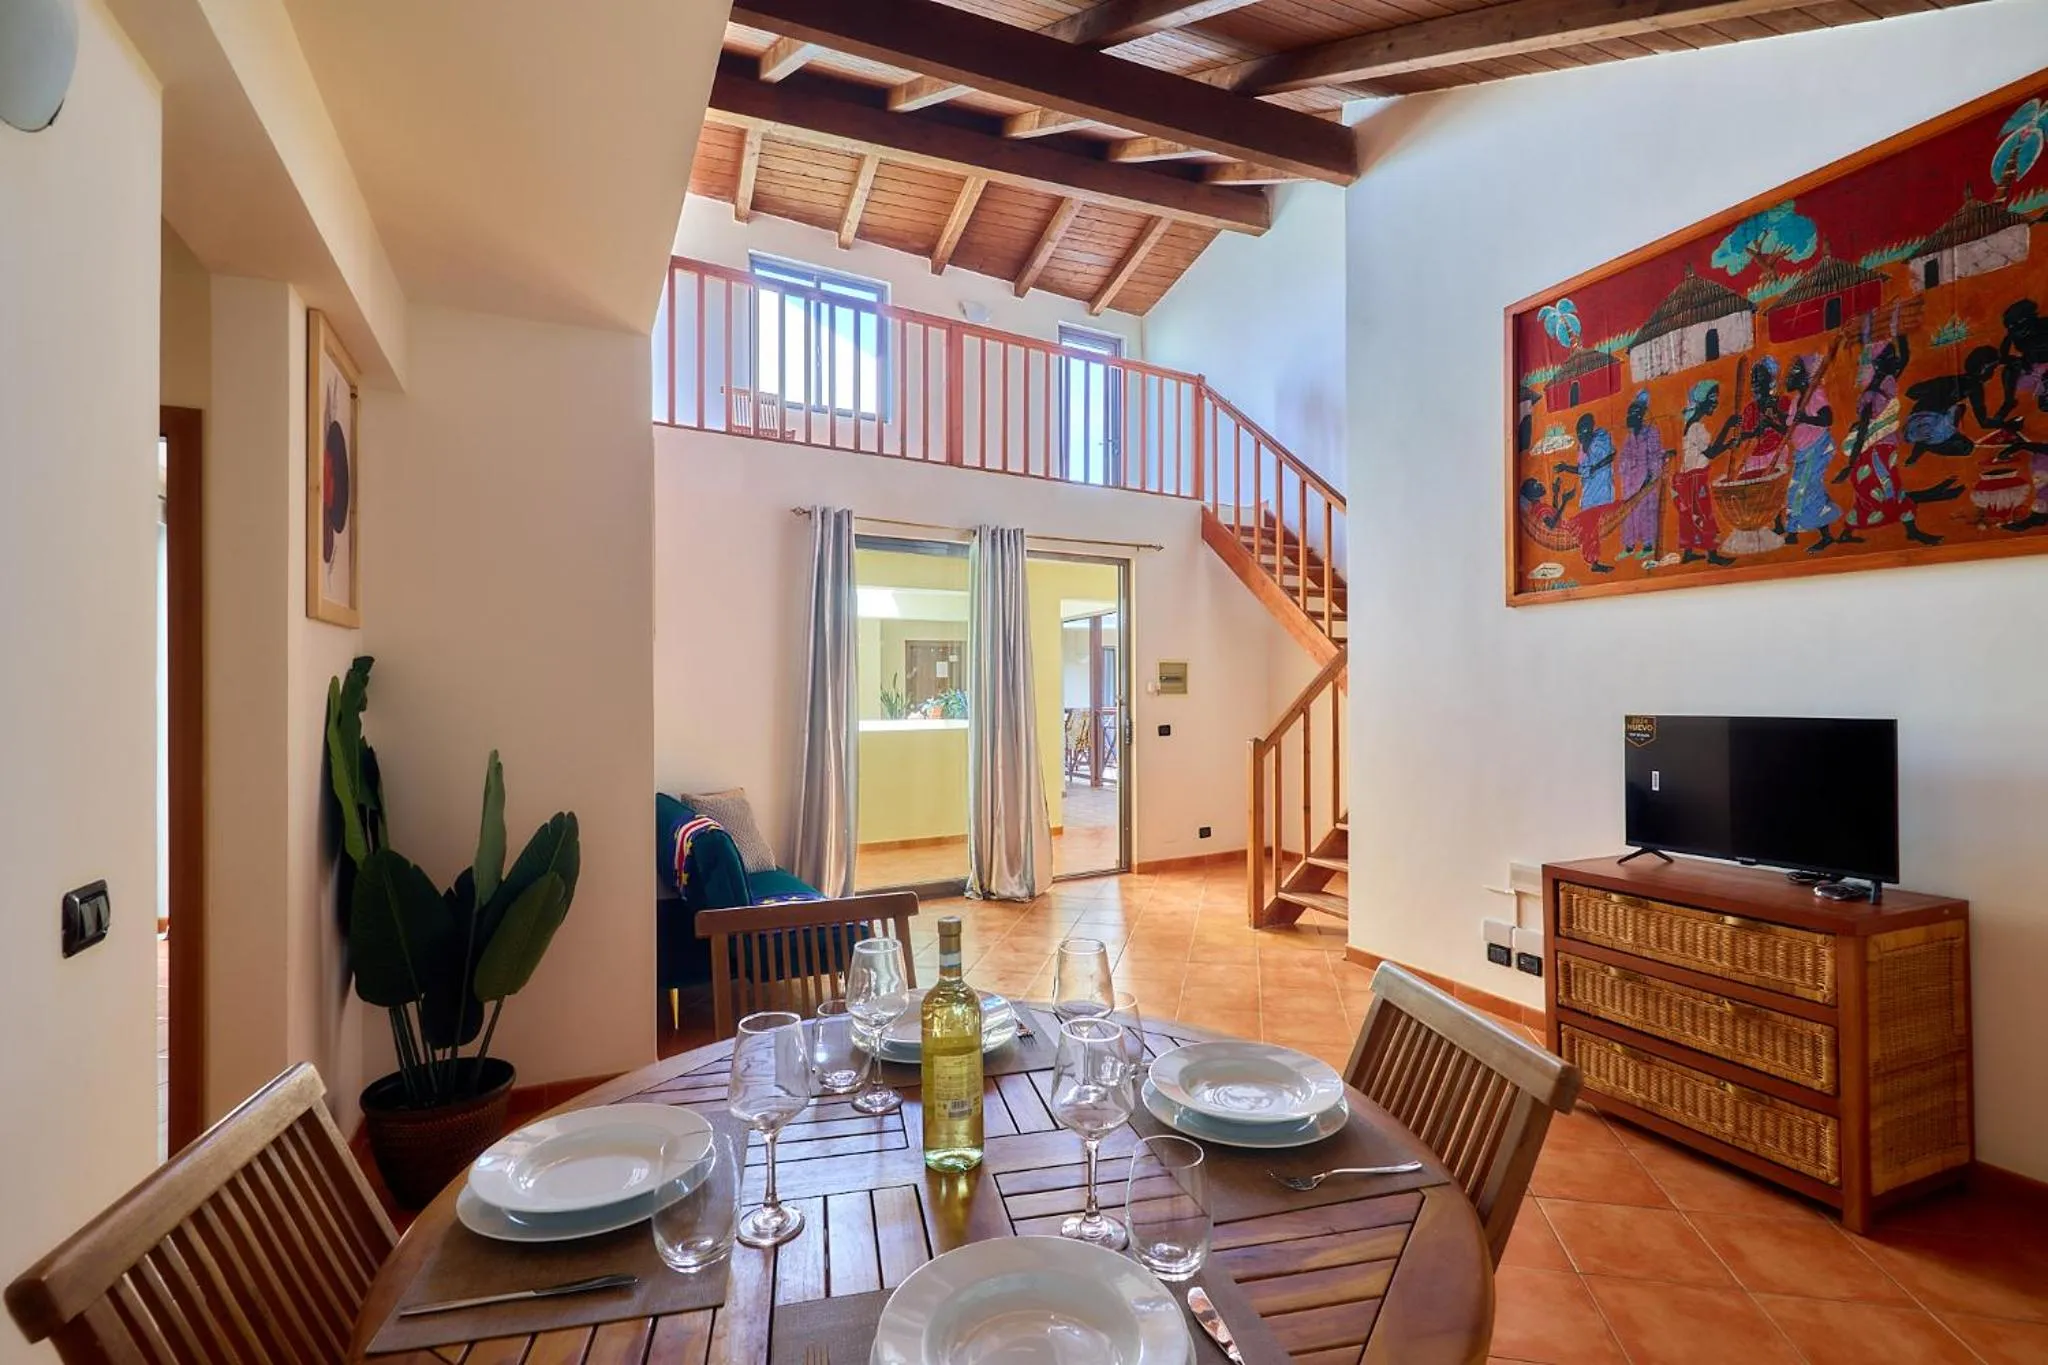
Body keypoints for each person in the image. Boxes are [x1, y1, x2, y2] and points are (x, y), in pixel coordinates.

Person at [1836, 337, 1951, 546]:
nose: (1895, 360)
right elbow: (1862, 431)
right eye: (1889, 357)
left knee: (1891, 491)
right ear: (1878, 363)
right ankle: (1851, 532)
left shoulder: (1887, 382)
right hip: (1872, 452)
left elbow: (1904, 358)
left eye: (1893, 356)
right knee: (1877, 495)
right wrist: (1850, 464)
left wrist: (1900, 334)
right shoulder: (1872, 393)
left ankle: (1909, 530)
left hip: (1885, 448)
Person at [1783, 348, 1845, 552]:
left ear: (1804, 376)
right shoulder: (1796, 401)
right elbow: (1791, 427)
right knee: (1803, 489)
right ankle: (1795, 531)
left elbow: (1828, 419)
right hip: (1803, 452)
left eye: (1795, 371)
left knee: (1807, 490)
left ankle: (1824, 535)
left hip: (1817, 448)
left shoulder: (1815, 394)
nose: (1789, 376)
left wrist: (1807, 418)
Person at [1674, 380, 1734, 566]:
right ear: (1701, 401)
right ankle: (1713, 555)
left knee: (1690, 516)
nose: (1716, 402)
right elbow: (1711, 452)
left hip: (1686, 478)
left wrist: (1727, 442)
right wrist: (1727, 427)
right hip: (1694, 479)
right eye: (1712, 398)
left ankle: (1688, 553)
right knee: (1703, 514)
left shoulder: (1693, 425)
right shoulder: (1696, 427)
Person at [1556, 413, 1617, 572]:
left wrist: (1592, 469)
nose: (1580, 436)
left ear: (1590, 428)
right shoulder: (1582, 447)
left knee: (1595, 525)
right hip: (1589, 495)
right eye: (1578, 433)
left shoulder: (1601, 439)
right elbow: (1583, 470)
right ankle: (1594, 562)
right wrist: (1566, 468)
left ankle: (1596, 560)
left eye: (1583, 431)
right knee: (1589, 530)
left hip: (1602, 492)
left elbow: (1610, 456)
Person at [1615, 391, 1668, 559]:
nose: (1631, 416)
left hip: (1646, 482)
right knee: (1629, 514)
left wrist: (1650, 477)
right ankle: (1629, 547)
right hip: (1630, 483)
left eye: (1636, 413)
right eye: (1630, 413)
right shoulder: (1629, 438)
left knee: (1646, 513)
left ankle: (1647, 546)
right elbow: (1623, 459)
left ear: (1642, 415)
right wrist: (1625, 471)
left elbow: (1655, 455)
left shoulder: (1650, 433)